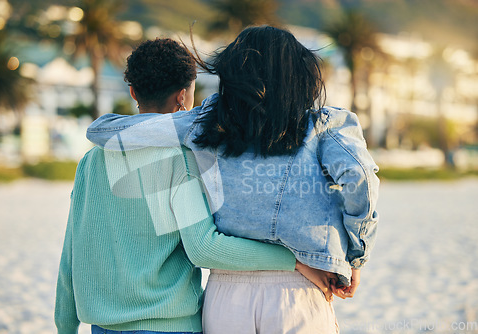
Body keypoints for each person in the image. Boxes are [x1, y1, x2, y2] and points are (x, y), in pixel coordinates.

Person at [86, 26, 380, 334]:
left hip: (225, 294)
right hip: (299, 289)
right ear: (299, 75)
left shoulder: (206, 123)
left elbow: (103, 132)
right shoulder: (324, 124)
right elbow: (359, 177)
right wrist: (357, 255)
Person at [55, 38, 312, 334]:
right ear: (183, 96)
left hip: (102, 326)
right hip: (169, 326)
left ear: (133, 91)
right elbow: (203, 248)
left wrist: (65, 326)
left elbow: (70, 254)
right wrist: (294, 260)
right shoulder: (180, 158)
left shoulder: (90, 161)